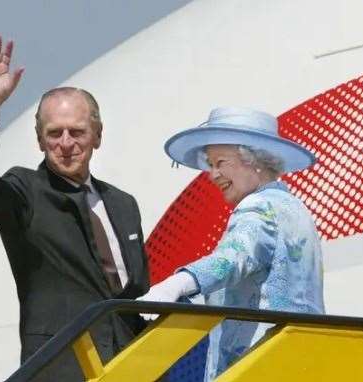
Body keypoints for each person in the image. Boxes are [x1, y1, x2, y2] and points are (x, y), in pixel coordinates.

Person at [0, 36, 150, 380]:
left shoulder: (122, 205)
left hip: (131, 368)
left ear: (97, 136)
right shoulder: (26, 193)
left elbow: (131, 295)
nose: (66, 144)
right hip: (62, 368)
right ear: (40, 140)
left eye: (77, 132)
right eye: (54, 133)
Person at [138, 107, 324, 381]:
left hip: (258, 366)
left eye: (221, 162)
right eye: (210, 164)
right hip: (300, 360)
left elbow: (232, 258)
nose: (212, 174)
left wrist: (173, 285)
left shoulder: (258, 207)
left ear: (256, 161)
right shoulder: (293, 207)